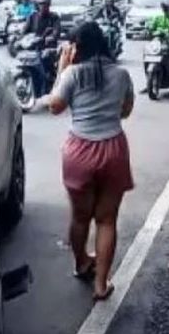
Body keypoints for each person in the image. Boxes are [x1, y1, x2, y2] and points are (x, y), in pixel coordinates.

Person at [48, 21, 134, 301]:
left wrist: (62, 68)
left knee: (80, 216)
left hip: (79, 152)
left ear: (77, 47)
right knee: (107, 220)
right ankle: (101, 284)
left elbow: (55, 107)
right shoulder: (121, 74)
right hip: (113, 150)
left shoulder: (72, 74)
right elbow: (125, 112)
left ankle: (81, 263)